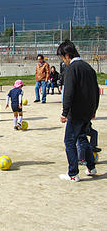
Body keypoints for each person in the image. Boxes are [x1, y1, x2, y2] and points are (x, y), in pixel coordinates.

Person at [58, 40, 100, 182]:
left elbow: (68, 92)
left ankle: (73, 173)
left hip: (76, 112)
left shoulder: (72, 69)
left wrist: (65, 112)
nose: (63, 61)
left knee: (69, 141)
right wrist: (94, 109)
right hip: (87, 111)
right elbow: (96, 90)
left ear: (67, 55)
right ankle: (91, 167)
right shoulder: (89, 68)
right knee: (82, 137)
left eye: (63, 58)